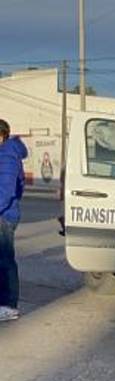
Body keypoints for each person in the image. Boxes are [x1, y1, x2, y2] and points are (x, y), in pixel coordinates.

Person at [0, 119, 27, 322]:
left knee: (5, 260)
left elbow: (6, 191)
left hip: (4, 215)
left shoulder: (7, 155)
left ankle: (9, 305)